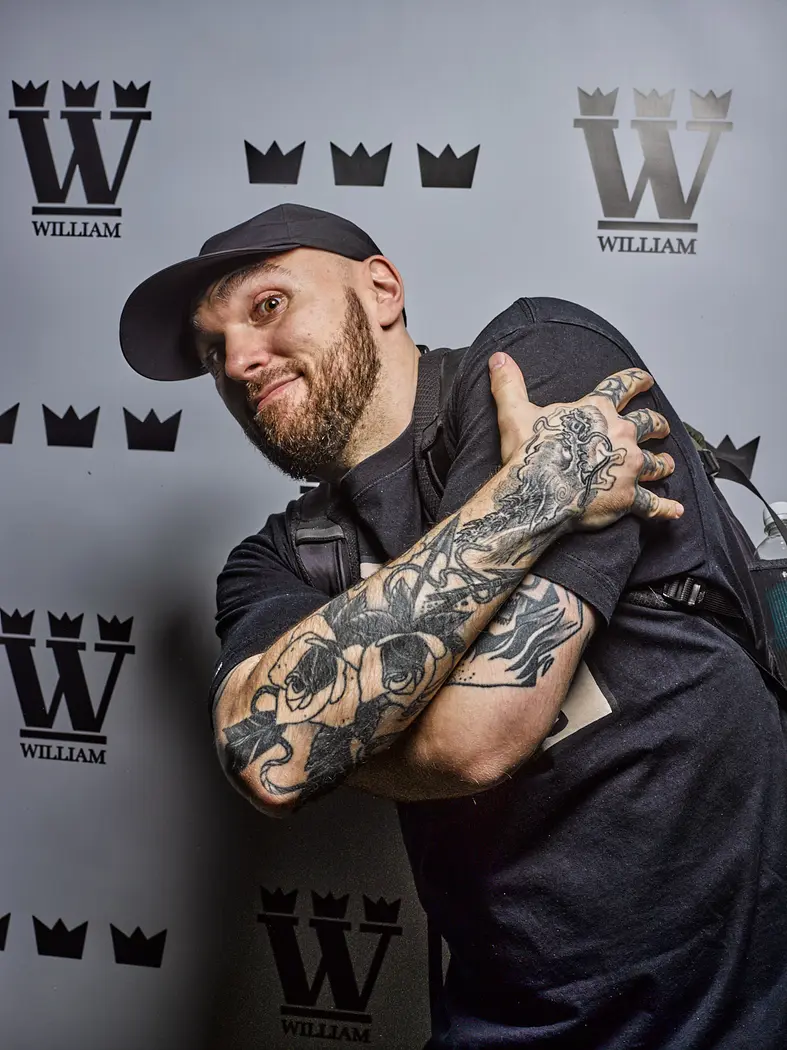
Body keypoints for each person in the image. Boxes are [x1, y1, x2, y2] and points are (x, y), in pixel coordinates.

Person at [120, 204, 787, 1049]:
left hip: (731, 1005)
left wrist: (352, 730)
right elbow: (268, 760)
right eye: (214, 350)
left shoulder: (538, 359)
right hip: (501, 1020)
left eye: (269, 306)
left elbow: (480, 735)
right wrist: (534, 495)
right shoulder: (277, 562)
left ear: (381, 289)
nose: (241, 361)